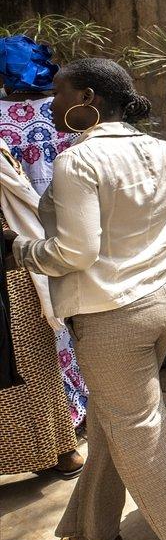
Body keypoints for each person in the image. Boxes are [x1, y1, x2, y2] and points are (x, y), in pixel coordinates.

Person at [5, 58, 166, 540]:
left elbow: (75, 252)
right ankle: (95, 527)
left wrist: (18, 249)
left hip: (111, 317)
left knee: (141, 434)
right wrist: (150, 257)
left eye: (60, 94)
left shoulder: (80, 161)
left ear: (90, 99)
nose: (51, 105)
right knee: (115, 418)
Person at [0, 35, 88, 437]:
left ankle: (60, 415)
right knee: (77, 314)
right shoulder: (65, 112)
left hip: (20, 236)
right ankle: (84, 399)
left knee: (39, 325)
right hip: (73, 224)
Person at [0, 141, 81, 480]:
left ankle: (59, 448)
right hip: (13, 267)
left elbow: (19, 194)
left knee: (34, 357)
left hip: (12, 268)